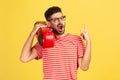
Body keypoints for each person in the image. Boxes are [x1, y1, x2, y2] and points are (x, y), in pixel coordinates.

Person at [20, 6, 91, 80]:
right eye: (56, 20)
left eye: (62, 18)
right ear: (48, 23)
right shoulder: (45, 41)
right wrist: (33, 32)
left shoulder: (76, 40)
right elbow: (24, 58)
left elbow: (84, 67)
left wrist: (89, 42)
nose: (61, 22)